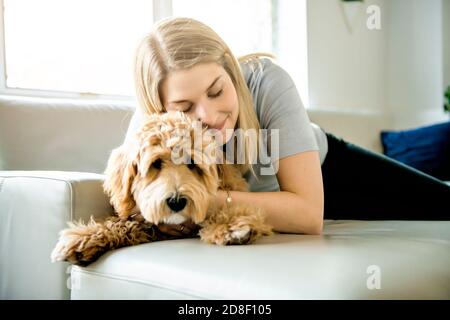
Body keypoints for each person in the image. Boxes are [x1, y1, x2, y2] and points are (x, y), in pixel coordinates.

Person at [125, 17, 450, 237]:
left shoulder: (267, 81)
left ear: (231, 71)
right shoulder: (149, 128)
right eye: (185, 109)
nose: (209, 115)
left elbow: (308, 215)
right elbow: (130, 201)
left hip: (330, 172)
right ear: (160, 108)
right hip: (272, 204)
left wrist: (206, 202)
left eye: (216, 91)